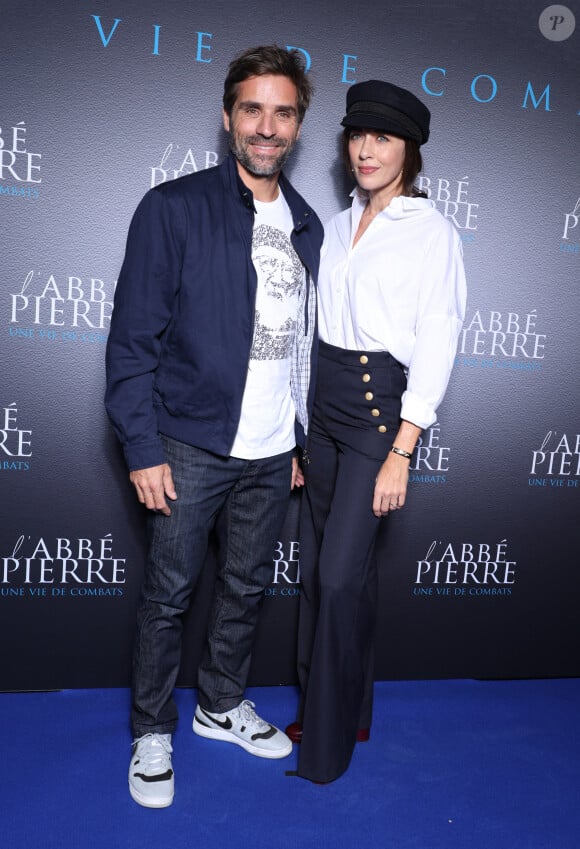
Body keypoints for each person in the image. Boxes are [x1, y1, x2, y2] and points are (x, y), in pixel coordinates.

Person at [105, 45, 322, 808]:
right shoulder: (174, 208)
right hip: (188, 443)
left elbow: (298, 344)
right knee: (169, 596)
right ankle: (151, 728)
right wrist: (140, 445)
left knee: (245, 587)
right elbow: (133, 341)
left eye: (283, 112)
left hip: (271, 452)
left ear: (298, 125)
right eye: (252, 109)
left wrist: (295, 437)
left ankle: (219, 703)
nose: (267, 127)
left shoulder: (304, 223)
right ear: (229, 117)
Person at [286, 80, 467, 783]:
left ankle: (326, 747)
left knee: (338, 578)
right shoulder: (332, 227)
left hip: (377, 416)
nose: (365, 149)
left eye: (383, 137)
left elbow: (440, 338)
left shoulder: (433, 234)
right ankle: (345, 705)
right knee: (324, 576)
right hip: (324, 413)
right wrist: (302, 430)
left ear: (410, 151)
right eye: (357, 134)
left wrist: (403, 447)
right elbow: (312, 330)